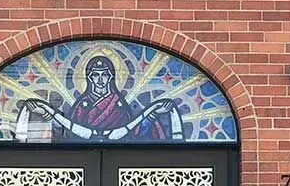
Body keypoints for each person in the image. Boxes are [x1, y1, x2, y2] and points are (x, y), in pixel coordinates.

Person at [19, 55, 183, 141]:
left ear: (111, 77)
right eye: (95, 75)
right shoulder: (82, 106)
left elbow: (135, 133)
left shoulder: (119, 105)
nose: (100, 79)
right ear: (88, 78)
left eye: (104, 75)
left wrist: (152, 115)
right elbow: (66, 134)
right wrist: (49, 116)